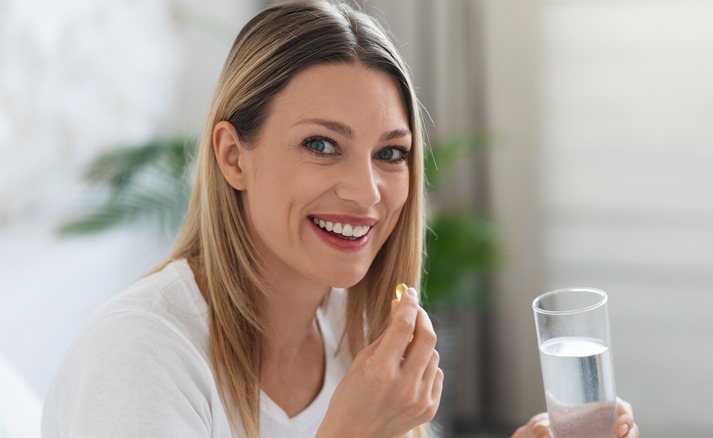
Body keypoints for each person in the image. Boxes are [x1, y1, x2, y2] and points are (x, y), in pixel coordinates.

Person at [42, 1, 639, 437]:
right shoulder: (138, 358)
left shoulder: (351, 329)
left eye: (390, 153)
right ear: (233, 156)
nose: (366, 192)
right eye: (321, 145)